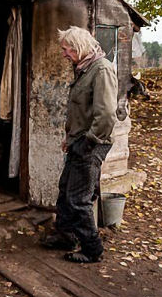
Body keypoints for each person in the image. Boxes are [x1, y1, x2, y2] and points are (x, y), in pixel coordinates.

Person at [42, 26, 118, 263]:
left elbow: (105, 116)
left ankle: (92, 249)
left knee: (78, 198)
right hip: (79, 140)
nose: (64, 54)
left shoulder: (101, 70)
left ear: (79, 47)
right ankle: (66, 235)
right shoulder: (84, 69)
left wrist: (88, 143)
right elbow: (81, 111)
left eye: (66, 50)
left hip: (91, 143)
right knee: (66, 189)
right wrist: (70, 138)